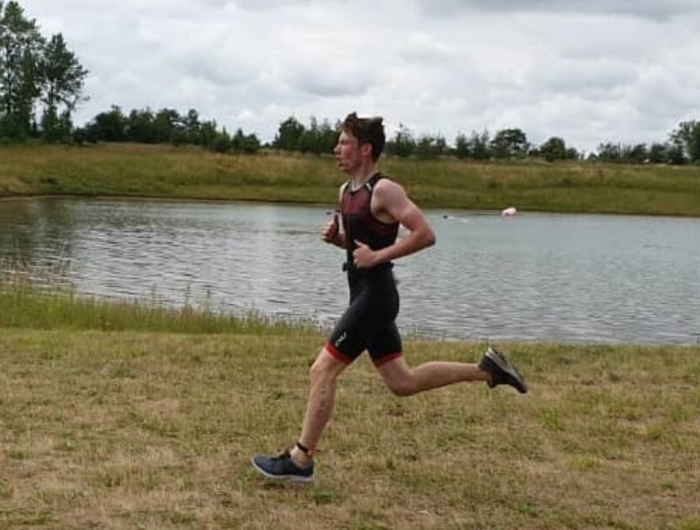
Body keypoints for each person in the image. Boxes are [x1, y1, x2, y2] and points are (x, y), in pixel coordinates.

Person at [251, 112, 527, 483]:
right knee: (402, 382)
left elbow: (425, 234)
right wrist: (339, 242)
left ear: (365, 149)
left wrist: (378, 257)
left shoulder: (384, 190)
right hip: (362, 293)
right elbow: (360, 250)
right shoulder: (345, 192)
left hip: (377, 297)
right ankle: (487, 370)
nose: (336, 149)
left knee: (322, 370)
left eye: (344, 142)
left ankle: (301, 461)